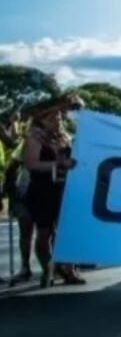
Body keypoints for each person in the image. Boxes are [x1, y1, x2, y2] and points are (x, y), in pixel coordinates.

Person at [20, 93, 83, 288]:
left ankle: (69, 269)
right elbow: (31, 164)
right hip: (42, 189)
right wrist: (58, 164)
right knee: (44, 233)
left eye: (59, 115)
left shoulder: (65, 137)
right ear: (43, 119)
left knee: (66, 231)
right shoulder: (34, 137)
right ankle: (48, 268)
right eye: (53, 116)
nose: (58, 118)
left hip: (64, 188)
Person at [2, 108, 36, 285]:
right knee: (26, 230)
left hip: (46, 192)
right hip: (23, 190)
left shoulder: (58, 141)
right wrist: (8, 192)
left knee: (47, 231)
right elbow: (11, 163)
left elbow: (11, 141)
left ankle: (55, 266)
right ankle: (25, 267)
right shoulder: (26, 144)